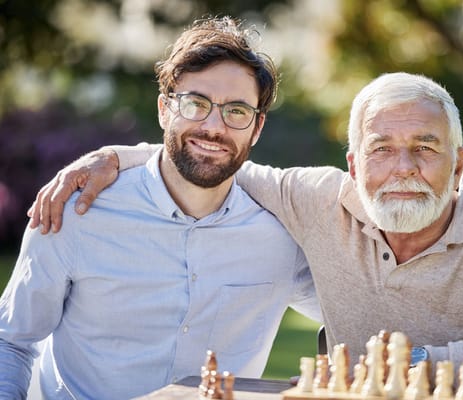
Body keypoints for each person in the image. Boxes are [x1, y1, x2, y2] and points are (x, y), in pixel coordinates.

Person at [28, 73, 463, 396]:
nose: (403, 167)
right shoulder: (318, 199)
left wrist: (417, 366)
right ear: (354, 165)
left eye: (426, 147)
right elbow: (209, 154)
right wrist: (114, 156)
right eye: (382, 148)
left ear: (458, 164)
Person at [0, 16, 321, 399]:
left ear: (257, 128)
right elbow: (12, 341)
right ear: (164, 110)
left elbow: (357, 313)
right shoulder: (75, 212)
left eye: (237, 111)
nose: (214, 127)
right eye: (196, 103)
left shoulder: (281, 236)